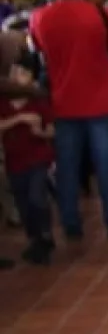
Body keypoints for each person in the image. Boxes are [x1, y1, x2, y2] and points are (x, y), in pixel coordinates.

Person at [29, 0, 108, 239]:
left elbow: (38, 50)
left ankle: (71, 223)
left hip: (63, 100)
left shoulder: (40, 18)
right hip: (100, 100)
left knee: (67, 166)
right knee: (107, 164)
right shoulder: (101, 14)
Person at [0, 52, 55, 264]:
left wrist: (40, 132)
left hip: (37, 158)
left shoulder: (38, 100)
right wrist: (20, 119)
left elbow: (51, 130)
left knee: (36, 197)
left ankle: (45, 234)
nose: (17, 77)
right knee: (22, 202)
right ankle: (35, 238)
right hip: (15, 161)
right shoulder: (4, 101)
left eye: (23, 73)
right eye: (14, 72)